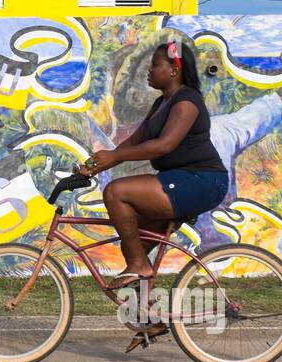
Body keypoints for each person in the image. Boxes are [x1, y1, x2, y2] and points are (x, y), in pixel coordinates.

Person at [81, 40, 227, 288]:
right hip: (180, 181)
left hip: (201, 180)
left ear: (174, 69)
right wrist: (95, 165)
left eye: (155, 65)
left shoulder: (187, 101)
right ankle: (151, 320)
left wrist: (115, 158)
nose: (149, 71)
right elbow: (134, 141)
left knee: (116, 192)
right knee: (135, 245)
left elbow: (164, 145)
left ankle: (140, 265)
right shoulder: (162, 104)